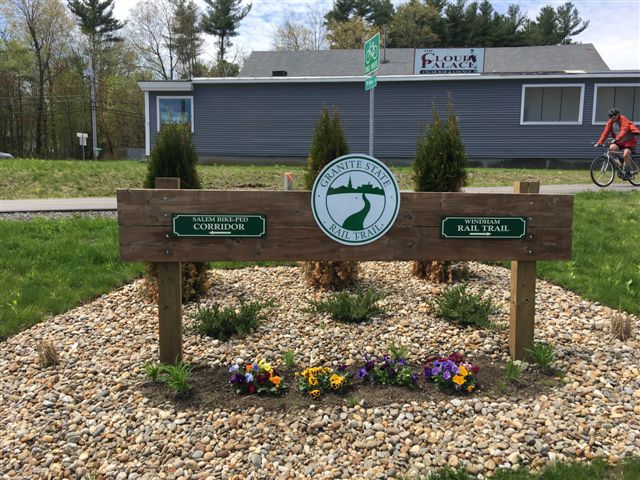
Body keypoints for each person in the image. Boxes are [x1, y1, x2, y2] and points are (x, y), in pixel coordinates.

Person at [595, 107, 640, 179]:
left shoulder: (623, 119)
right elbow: (605, 133)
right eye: (611, 116)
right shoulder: (610, 122)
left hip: (629, 140)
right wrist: (599, 142)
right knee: (611, 148)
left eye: (615, 115)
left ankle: (628, 172)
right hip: (620, 141)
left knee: (625, 155)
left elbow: (624, 130)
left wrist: (616, 139)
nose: (613, 117)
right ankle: (621, 163)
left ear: (618, 114)